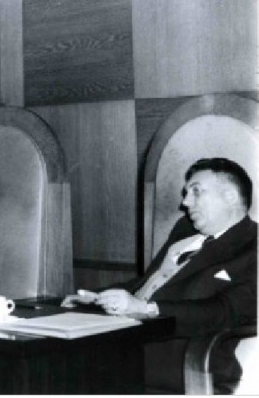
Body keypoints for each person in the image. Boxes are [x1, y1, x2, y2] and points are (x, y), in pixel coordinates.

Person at [63, 158, 257, 393]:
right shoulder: (184, 230)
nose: (185, 202)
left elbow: (223, 312)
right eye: (186, 194)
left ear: (230, 196)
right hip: (127, 344)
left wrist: (147, 309)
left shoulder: (252, 247)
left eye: (196, 192)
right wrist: (96, 298)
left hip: (183, 360)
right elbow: (148, 285)